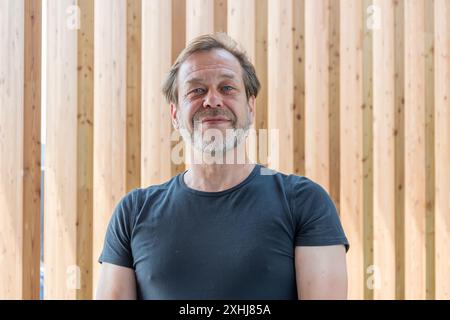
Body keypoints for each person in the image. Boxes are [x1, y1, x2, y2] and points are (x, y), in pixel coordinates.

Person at [96, 33, 349, 300]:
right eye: (196, 90)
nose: (212, 100)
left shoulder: (304, 202)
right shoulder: (133, 213)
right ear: (175, 114)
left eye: (227, 88)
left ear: (251, 107)